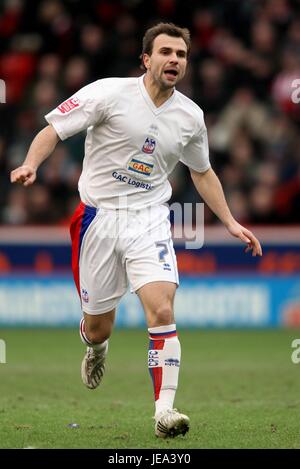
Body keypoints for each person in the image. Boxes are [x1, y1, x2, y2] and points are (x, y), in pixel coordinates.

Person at [10, 22, 262, 439]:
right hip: (98, 217)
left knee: (162, 309)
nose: (174, 61)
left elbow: (202, 172)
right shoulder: (107, 93)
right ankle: (95, 347)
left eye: (181, 55)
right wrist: (31, 164)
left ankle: (165, 410)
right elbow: (53, 130)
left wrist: (231, 221)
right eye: (166, 53)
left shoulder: (190, 116)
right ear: (146, 59)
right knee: (98, 326)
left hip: (149, 217)